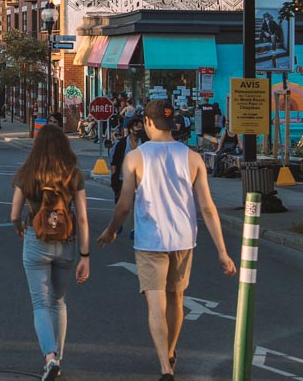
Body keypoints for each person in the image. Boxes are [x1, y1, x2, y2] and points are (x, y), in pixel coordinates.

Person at [97, 99, 237, 381]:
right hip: (184, 239)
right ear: (172, 123)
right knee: (177, 300)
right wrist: (222, 251)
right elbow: (208, 208)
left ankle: (165, 366)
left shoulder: (136, 158)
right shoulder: (192, 157)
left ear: (148, 123)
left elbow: (124, 206)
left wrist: (112, 230)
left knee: (155, 304)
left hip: (151, 241)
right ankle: (171, 351)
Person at [11, 124, 90, 381]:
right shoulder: (73, 174)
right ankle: (60, 358)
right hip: (66, 240)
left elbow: (14, 214)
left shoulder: (27, 173)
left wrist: (20, 229)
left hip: (36, 238)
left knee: (39, 303)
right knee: (58, 301)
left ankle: (50, 356)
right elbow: (84, 218)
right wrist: (85, 256)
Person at [110, 117, 144, 204]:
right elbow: (114, 162)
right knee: (122, 206)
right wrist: (114, 181)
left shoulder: (144, 142)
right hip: (123, 180)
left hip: (140, 181)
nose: (140, 129)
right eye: (137, 127)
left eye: (141, 127)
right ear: (131, 129)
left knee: (136, 208)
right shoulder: (122, 143)